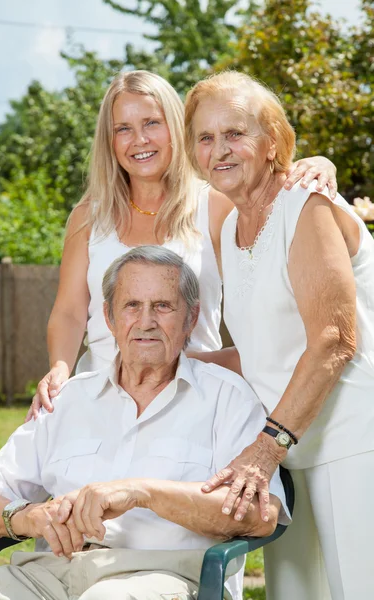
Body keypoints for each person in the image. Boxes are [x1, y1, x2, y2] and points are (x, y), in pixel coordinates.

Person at [0, 246, 290, 600]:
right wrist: (26, 517)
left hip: (161, 575)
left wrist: (144, 493)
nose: (146, 322)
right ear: (109, 317)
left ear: (191, 317)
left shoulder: (226, 398)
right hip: (47, 574)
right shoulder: (69, 399)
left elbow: (261, 515)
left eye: (163, 306)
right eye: (131, 306)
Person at [29, 69, 338, 419]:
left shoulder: (216, 205)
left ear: (176, 128)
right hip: (102, 393)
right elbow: (69, 312)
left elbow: (269, 197)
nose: (139, 139)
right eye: (123, 129)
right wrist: (59, 368)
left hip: (195, 393)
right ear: (109, 141)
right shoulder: (87, 217)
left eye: (152, 123)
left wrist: (320, 163)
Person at [183, 71, 374, 599]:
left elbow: (335, 340)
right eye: (205, 137)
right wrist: (181, 363)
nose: (219, 149)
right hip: (290, 448)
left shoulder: (304, 203)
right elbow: (262, 351)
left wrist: (266, 448)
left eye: (235, 133)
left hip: (353, 441)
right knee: (294, 594)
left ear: (272, 142)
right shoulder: (228, 227)